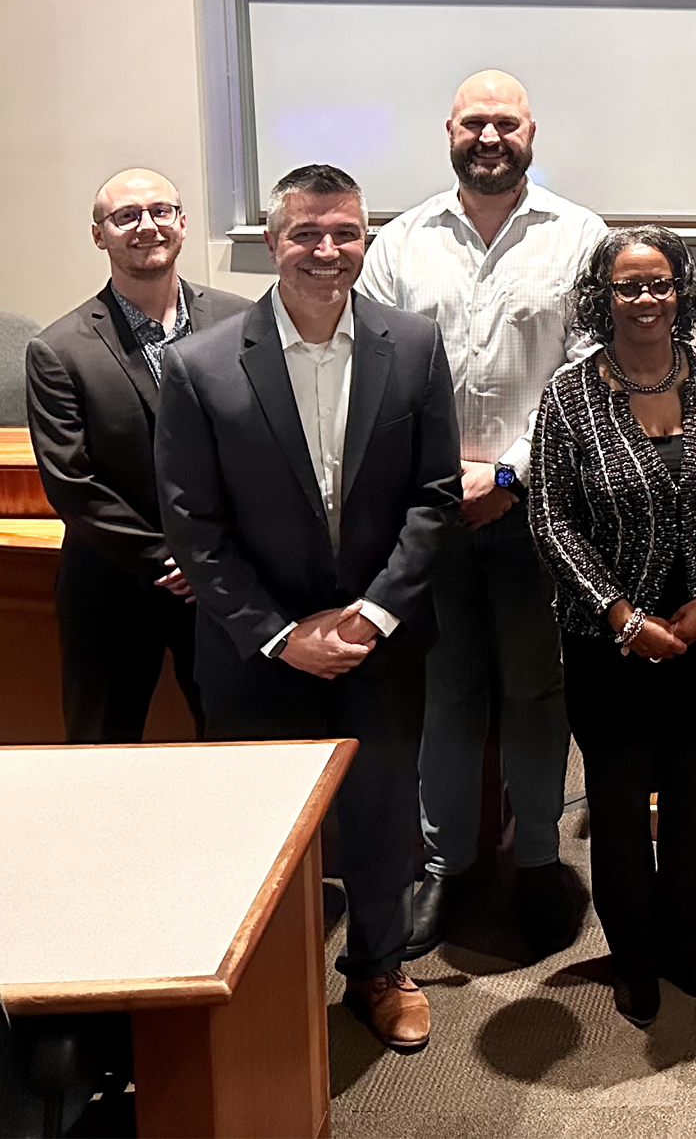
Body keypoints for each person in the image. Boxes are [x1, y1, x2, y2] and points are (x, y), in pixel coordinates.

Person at [156, 164, 460, 1053]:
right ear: (271, 240)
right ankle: (260, 982)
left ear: (367, 238)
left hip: (381, 643)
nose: (327, 253)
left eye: (346, 234)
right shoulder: (199, 365)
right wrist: (282, 636)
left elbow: (434, 498)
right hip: (257, 648)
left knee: (380, 815)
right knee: (258, 825)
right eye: (306, 234)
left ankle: (378, 969)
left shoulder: (413, 345)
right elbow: (194, 528)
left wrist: (371, 617)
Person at [358, 69, 606, 961]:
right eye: (474, 123)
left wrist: (506, 471)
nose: (489, 136)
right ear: (449, 131)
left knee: (538, 693)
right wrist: (444, 479)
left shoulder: (582, 237)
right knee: (447, 692)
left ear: (533, 131)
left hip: (543, 511)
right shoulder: (401, 242)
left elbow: (590, 375)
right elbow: (376, 367)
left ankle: (537, 859)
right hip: (430, 514)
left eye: (506, 122)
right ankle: (445, 864)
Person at [528, 226, 696, 1029]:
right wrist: (621, 614)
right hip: (609, 648)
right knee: (621, 809)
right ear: (603, 295)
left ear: (681, 291)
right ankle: (633, 956)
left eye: (659, 283)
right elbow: (551, 518)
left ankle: (680, 939)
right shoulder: (570, 395)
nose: (644, 299)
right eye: (627, 285)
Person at [26, 169, 251, 741]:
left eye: (159, 211)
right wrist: (168, 561)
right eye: (125, 216)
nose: (145, 226)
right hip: (111, 587)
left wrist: (209, 559)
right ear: (99, 235)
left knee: (237, 742)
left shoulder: (243, 322)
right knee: (103, 746)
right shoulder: (57, 350)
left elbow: (264, 446)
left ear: (181, 222)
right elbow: (72, 483)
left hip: (226, 580)